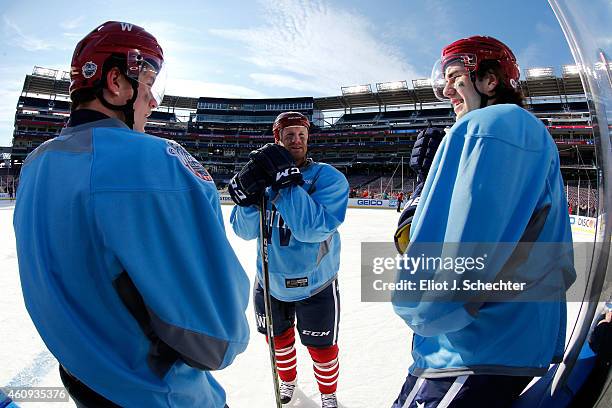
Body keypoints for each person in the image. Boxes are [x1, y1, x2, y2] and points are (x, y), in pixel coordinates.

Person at [13, 21, 250, 408]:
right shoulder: (155, 162)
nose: (154, 100)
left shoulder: (35, 165)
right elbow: (217, 341)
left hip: (84, 379)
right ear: (116, 83)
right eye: (148, 82)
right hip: (158, 394)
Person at [391, 36, 576, 407]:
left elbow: (455, 261)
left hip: (471, 349)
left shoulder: (491, 124)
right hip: (500, 345)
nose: (446, 90)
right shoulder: (518, 129)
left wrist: (419, 310)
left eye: (456, 76)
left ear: (491, 81)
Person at [228, 112, 349, 408]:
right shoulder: (263, 176)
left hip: (316, 284)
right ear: (277, 139)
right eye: (289, 135)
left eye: (301, 136)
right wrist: (248, 196)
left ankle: (327, 391)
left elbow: (311, 230)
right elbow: (243, 231)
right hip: (270, 281)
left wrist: (285, 185)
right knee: (278, 342)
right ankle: (288, 381)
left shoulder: (329, 178)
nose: (296, 141)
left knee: (322, 348)